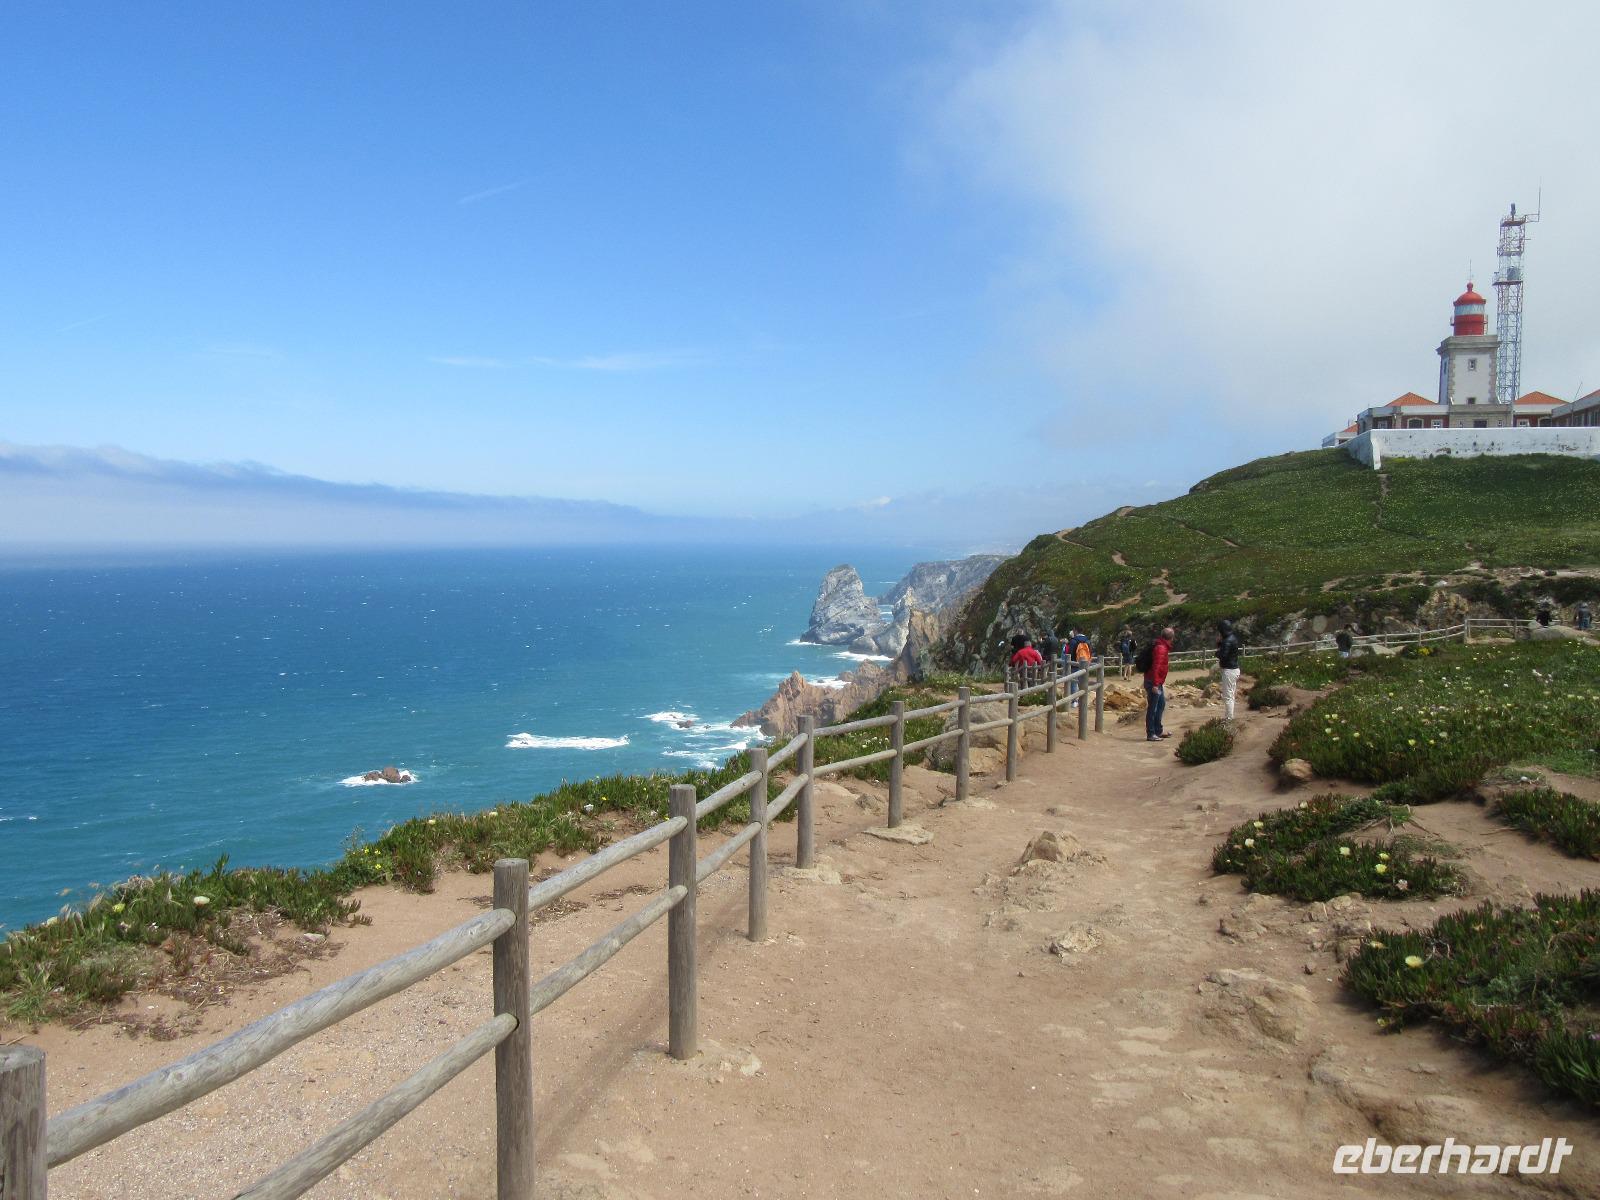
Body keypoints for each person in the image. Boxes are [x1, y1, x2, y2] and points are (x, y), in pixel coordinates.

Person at [1143, 627, 1173, 741]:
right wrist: (1155, 684)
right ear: (1171, 637)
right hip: (1153, 682)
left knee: (1160, 705)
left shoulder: (1161, 646)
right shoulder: (1161, 648)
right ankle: (1151, 733)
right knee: (1153, 708)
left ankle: (1157, 731)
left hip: (1155, 681)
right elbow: (1156, 667)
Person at [1216, 619, 1242, 722]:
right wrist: (1220, 645)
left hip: (1229, 670)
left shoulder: (1227, 641)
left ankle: (1229, 718)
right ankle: (1229, 716)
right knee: (1230, 695)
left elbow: (1223, 655)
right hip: (1234, 669)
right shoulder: (1232, 638)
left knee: (1227, 696)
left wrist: (1216, 653)